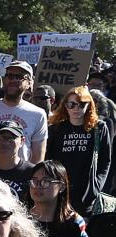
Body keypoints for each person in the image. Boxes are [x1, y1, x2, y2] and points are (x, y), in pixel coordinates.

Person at [46, 86, 113, 215]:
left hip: (86, 194)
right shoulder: (56, 129)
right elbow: (49, 159)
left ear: (89, 105)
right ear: (65, 106)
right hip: (60, 191)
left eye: (81, 104)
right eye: (71, 104)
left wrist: (96, 185)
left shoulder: (99, 128)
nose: (76, 108)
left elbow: (105, 160)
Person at [0, 62, 49, 164]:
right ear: (4, 79)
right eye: (9, 76)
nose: (13, 80)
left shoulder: (38, 114)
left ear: (29, 83)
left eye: (19, 77)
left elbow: (38, 159)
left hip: (22, 173)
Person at [0, 119, 34, 199]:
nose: (5, 142)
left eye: (12, 138)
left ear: (22, 141)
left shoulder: (31, 172)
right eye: (1, 137)